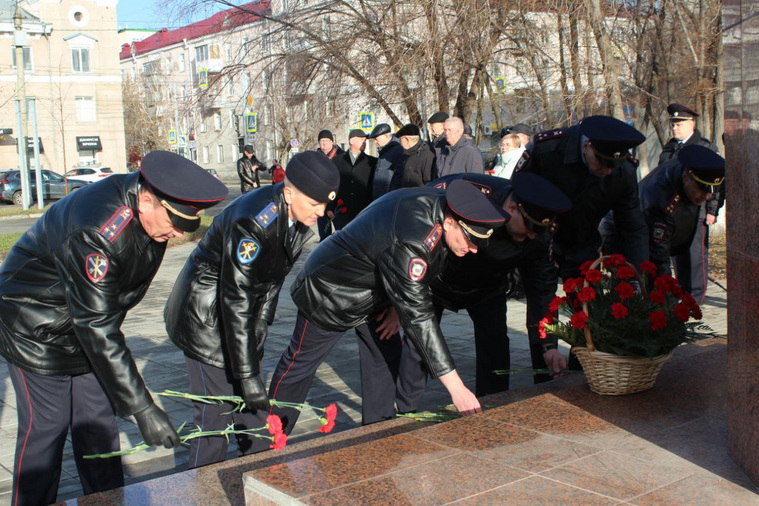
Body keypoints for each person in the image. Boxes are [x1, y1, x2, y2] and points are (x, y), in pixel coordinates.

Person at [0, 150, 228, 505]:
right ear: (147, 199)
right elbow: (97, 323)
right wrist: (143, 408)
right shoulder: (99, 231)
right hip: (33, 326)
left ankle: (106, 500)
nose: (175, 233)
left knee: (98, 423)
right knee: (48, 427)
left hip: (82, 325)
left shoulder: (153, 221)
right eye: (173, 222)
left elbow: (104, 311)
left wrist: (130, 400)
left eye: (186, 225)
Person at [248, 180, 508, 452]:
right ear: (452, 222)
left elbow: (400, 264)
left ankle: (379, 438)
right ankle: (267, 442)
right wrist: (457, 389)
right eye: (471, 240)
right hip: (331, 289)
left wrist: (396, 306)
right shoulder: (415, 240)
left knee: (384, 357)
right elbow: (420, 318)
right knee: (299, 366)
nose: (475, 249)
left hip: (376, 290)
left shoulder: (440, 207)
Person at [165, 152, 339, 469]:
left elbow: (272, 280)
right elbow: (235, 296)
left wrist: (260, 331)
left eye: (323, 205)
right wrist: (247, 376)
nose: (321, 212)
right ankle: (206, 492)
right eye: (314, 204)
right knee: (213, 421)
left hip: (238, 315)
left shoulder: (297, 217)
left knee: (255, 415)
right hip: (206, 317)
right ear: (289, 193)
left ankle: (261, 481)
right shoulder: (253, 222)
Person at [396, 172, 572, 411]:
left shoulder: (538, 237)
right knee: (419, 344)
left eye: (537, 231)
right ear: (512, 208)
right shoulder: (469, 193)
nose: (531, 235)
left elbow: (542, 291)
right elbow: (416, 229)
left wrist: (548, 345)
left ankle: (493, 404)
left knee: (495, 344)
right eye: (529, 226)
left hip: (487, 285)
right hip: (434, 280)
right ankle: (406, 411)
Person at [518, 115, 648, 281]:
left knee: (586, 301)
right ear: (587, 146)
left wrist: (637, 277)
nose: (608, 171)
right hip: (538, 237)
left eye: (613, 166)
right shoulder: (547, 149)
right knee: (543, 301)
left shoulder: (624, 173)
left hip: (582, 242)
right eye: (602, 162)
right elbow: (518, 193)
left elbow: (632, 226)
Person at [603, 145, 725, 288]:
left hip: (650, 236)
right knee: (634, 289)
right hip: (622, 236)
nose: (707, 196)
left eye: (711, 191)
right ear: (686, 178)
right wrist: (668, 295)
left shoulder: (690, 170)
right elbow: (659, 256)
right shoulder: (661, 199)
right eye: (702, 190)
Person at [658, 103, 723, 302]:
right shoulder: (669, 148)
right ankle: (682, 292)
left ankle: (695, 296)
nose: (675, 127)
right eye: (673, 124)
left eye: (679, 124)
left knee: (695, 255)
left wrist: (712, 210)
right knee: (677, 254)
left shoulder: (704, 147)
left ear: (691, 124)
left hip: (698, 209)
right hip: (674, 211)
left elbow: (717, 183)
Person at [331, 129, 377, 230]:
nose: (364, 142)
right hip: (343, 210)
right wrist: (330, 207)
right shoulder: (337, 161)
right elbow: (332, 184)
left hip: (364, 210)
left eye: (365, 140)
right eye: (361, 139)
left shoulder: (372, 162)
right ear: (351, 141)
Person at [315, 129, 344, 241]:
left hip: (339, 202)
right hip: (321, 201)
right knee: (324, 237)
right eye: (321, 141)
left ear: (332, 142)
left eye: (327, 140)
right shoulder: (315, 158)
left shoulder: (341, 156)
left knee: (341, 235)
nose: (324, 143)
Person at [367, 123, 406, 199]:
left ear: (386, 136)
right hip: (383, 198)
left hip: (390, 198)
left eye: (376, 139)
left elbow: (399, 177)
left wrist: (392, 195)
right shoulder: (384, 151)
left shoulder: (398, 151)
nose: (375, 142)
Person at [397, 123, 435, 188]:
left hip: (419, 196)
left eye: (400, 140)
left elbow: (429, 182)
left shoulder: (426, 155)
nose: (400, 143)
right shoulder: (407, 154)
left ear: (407, 139)